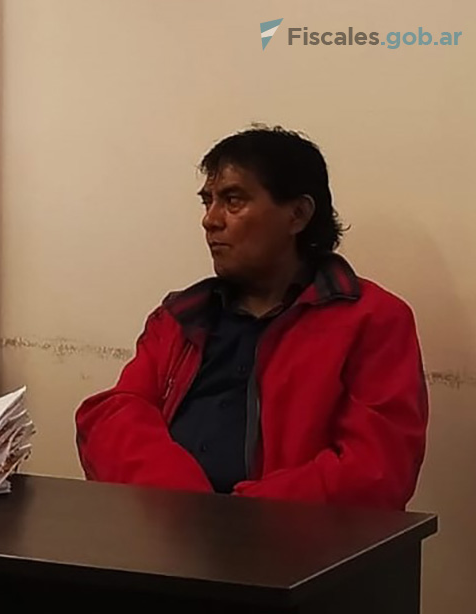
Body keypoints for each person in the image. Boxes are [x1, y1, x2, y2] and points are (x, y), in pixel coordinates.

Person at [75, 126, 428, 510]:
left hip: (293, 541)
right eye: (207, 201)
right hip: (172, 530)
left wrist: (240, 519)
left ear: (298, 214)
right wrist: (188, 509)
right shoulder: (180, 318)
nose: (210, 220)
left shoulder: (372, 320)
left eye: (233, 200)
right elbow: (113, 418)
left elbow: (376, 469)